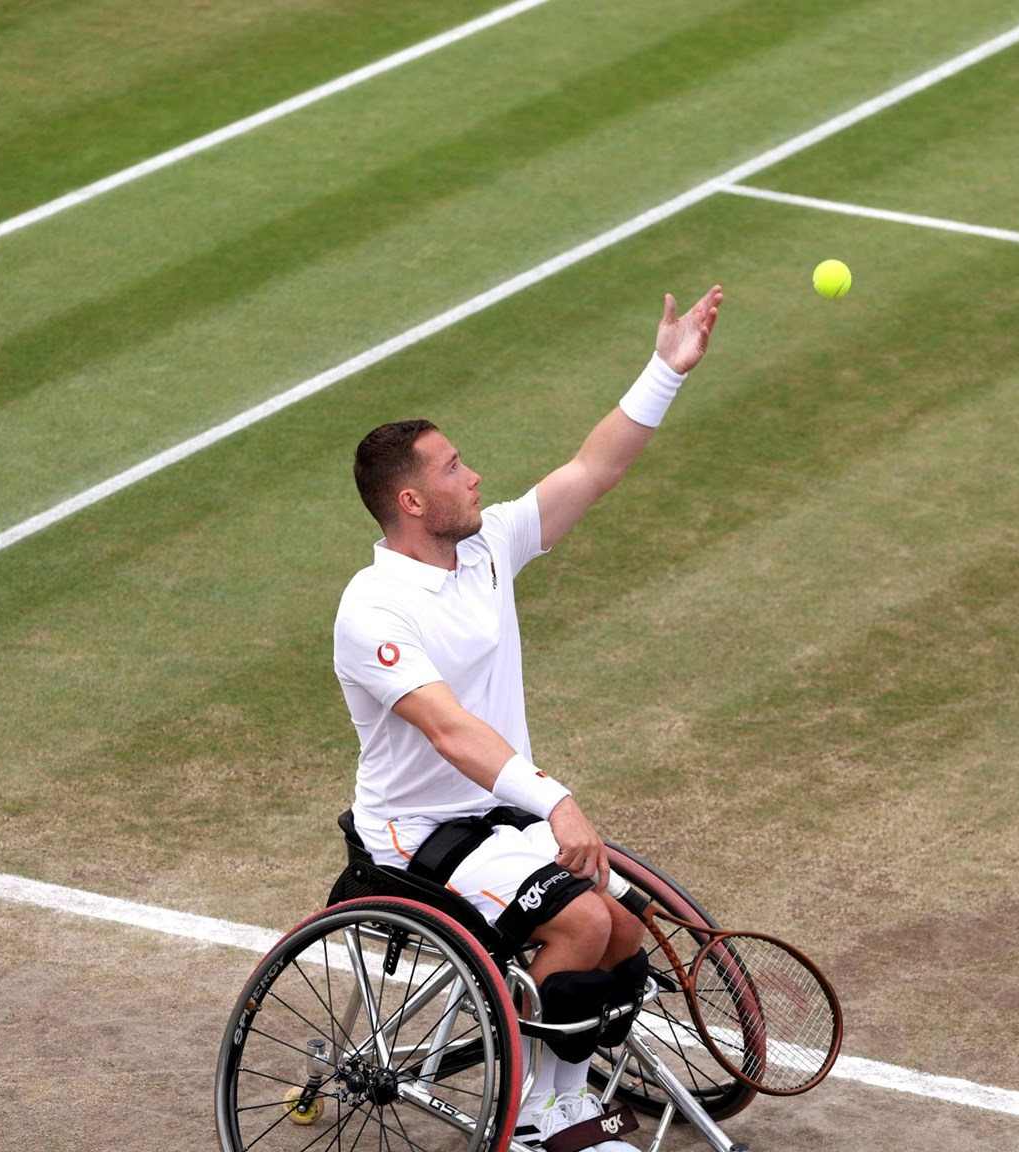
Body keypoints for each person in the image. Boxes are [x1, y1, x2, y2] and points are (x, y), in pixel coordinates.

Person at [332, 286, 724, 1150]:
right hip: (415, 833)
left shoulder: (486, 547)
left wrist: (667, 368)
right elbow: (449, 731)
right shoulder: (374, 609)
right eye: (451, 468)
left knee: (624, 928)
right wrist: (554, 799)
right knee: (583, 922)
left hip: (498, 819)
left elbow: (593, 469)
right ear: (410, 502)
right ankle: (526, 1123)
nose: (473, 475)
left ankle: (560, 1107)